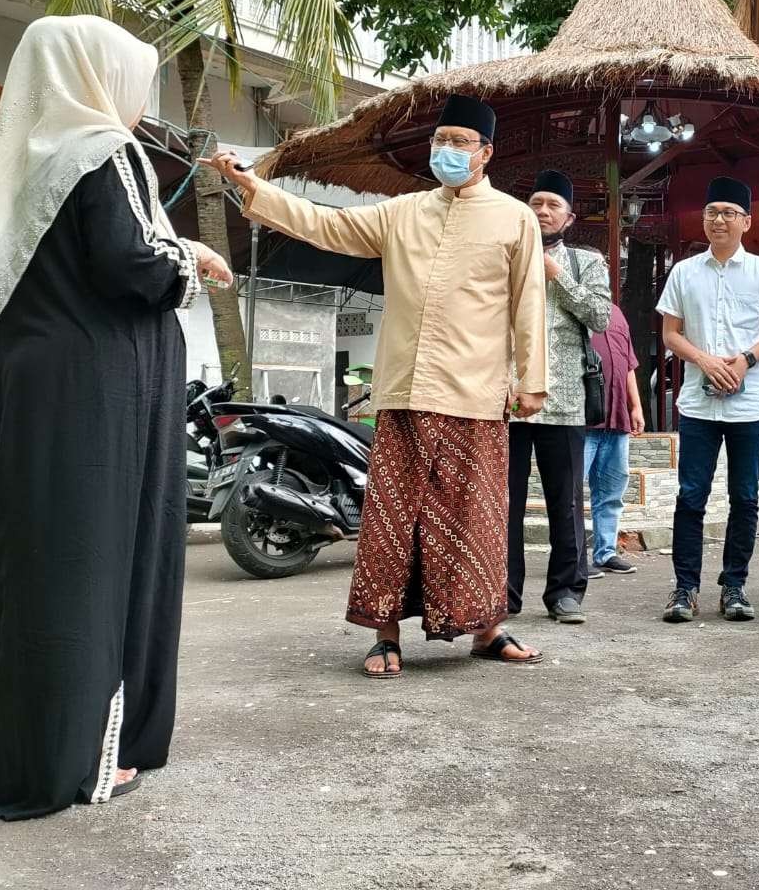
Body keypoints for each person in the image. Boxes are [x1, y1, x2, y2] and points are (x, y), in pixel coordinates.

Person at [0, 15, 233, 819]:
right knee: (95, 560)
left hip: (40, 383)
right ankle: (80, 757)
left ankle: (29, 751)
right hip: (96, 391)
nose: (137, 98)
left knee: (41, 562)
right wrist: (197, 261)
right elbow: (130, 261)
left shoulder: (30, 162)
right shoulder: (103, 149)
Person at [204, 94, 549, 677]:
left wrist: (531, 380)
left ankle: (487, 629)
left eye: (460, 142)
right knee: (392, 517)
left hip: (476, 392)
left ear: (486, 153)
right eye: (441, 141)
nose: (447, 151)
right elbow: (328, 223)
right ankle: (384, 636)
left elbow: (528, 302)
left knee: (476, 517)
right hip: (405, 391)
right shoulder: (404, 211)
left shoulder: (515, 218)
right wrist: (252, 188)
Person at [656, 176, 759, 623]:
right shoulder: (684, 271)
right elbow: (670, 333)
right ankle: (685, 588)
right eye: (712, 211)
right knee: (691, 495)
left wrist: (744, 361)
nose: (719, 219)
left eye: (729, 213)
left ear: (746, 222)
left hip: (749, 404)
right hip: (698, 403)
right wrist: (704, 360)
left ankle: (734, 586)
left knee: (745, 496)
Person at [507, 170, 612, 623]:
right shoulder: (504, 254)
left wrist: (557, 277)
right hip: (505, 399)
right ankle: (501, 594)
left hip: (563, 398)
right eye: (536, 202)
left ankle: (566, 592)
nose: (543, 210)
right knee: (501, 504)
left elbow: (601, 316)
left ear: (569, 218)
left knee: (566, 502)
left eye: (553, 205)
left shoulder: (588, 262)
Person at [584, 303, 645, 576]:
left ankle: (605, 552)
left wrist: (636, 406)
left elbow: (629, 364)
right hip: (583, 420)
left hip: (617, 419)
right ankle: (571, 558)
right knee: (571, 493)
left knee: (611, 493)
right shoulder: (573, 309)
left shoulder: (617, 313)